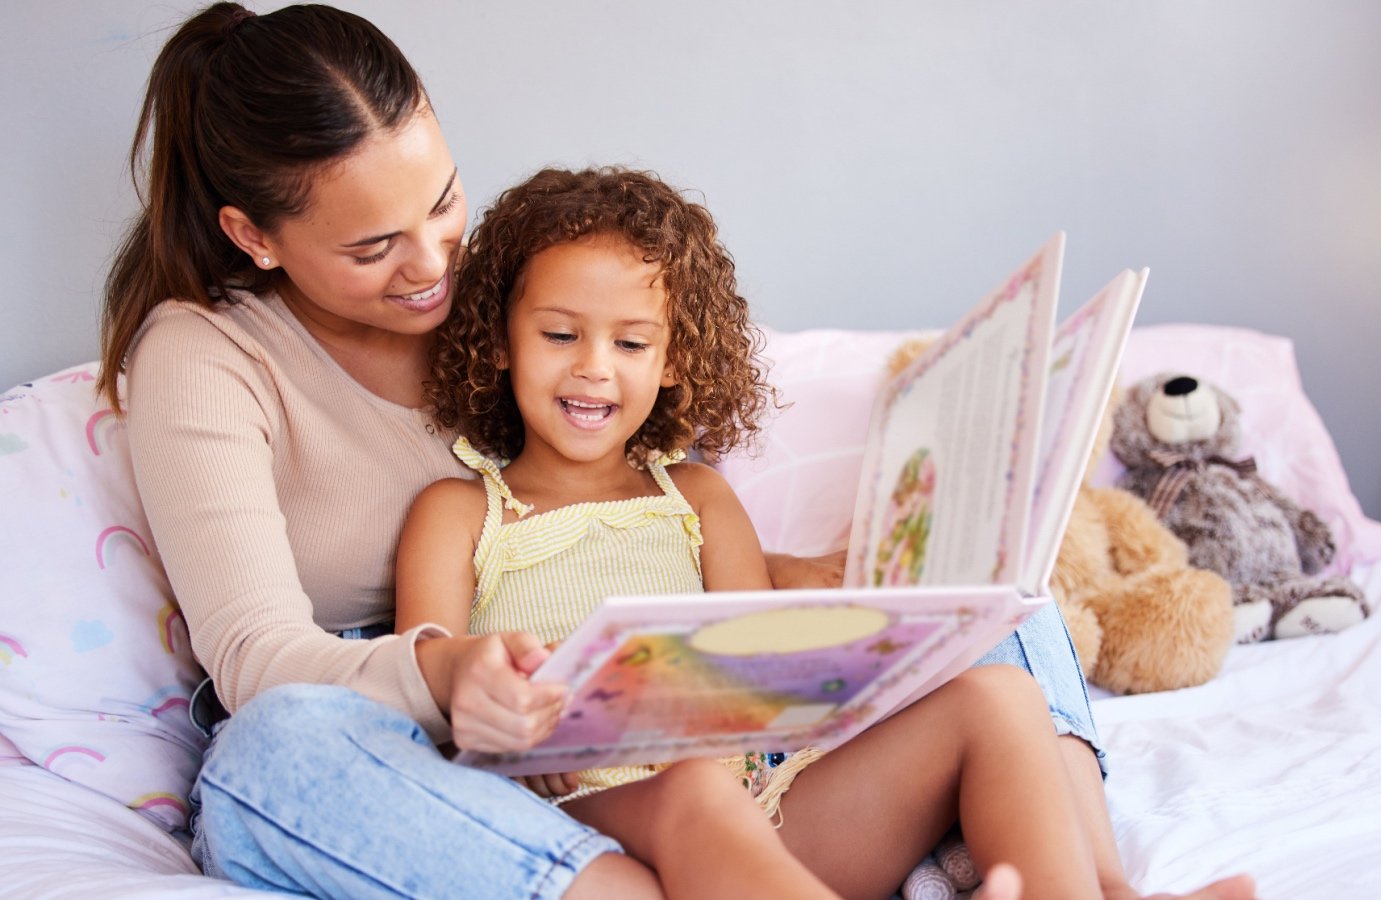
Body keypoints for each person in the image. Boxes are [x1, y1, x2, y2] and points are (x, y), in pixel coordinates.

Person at [97, 4, 1251, 898]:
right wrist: (451, 671)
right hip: (428, 720)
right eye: (374, 246)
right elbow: (260, 661)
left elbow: (702, 580)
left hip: (710, 721)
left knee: (1004, 600)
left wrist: (872, 578)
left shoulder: (508, 299)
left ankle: (1095, 881)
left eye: (445, 205)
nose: (433, 266)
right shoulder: (207, 359)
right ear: (254, 235)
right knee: (274, 750)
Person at [395, 165, 1109, 898]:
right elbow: (421, 698)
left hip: (760, 818)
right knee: (696, 784)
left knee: (1003, 697)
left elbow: (766, 699)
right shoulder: (458, 512)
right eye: (559, 334)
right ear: (500, 340)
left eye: (632, 345)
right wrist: (504, 722)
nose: (593, 368)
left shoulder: (699, 498)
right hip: (577, 829)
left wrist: (886, 630)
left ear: (673, 360)